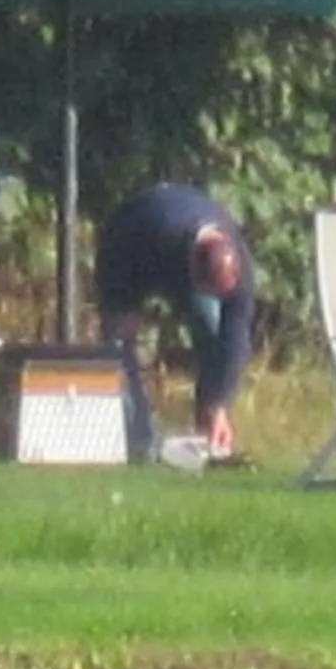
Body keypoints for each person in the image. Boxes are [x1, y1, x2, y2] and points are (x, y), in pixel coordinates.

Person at [95, 181, 257, 462]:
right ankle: (136, 438)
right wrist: (123, 309)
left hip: (173, 244)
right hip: (126, 246)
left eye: (218, 292)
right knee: (121, 346)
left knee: (211, 331)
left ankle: (209, 430)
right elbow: (117, 261)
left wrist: (219, 403)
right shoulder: (156, 232)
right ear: (193, 265)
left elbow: (236, 333)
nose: (211, 295)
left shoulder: (239, 260)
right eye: (206, 288)